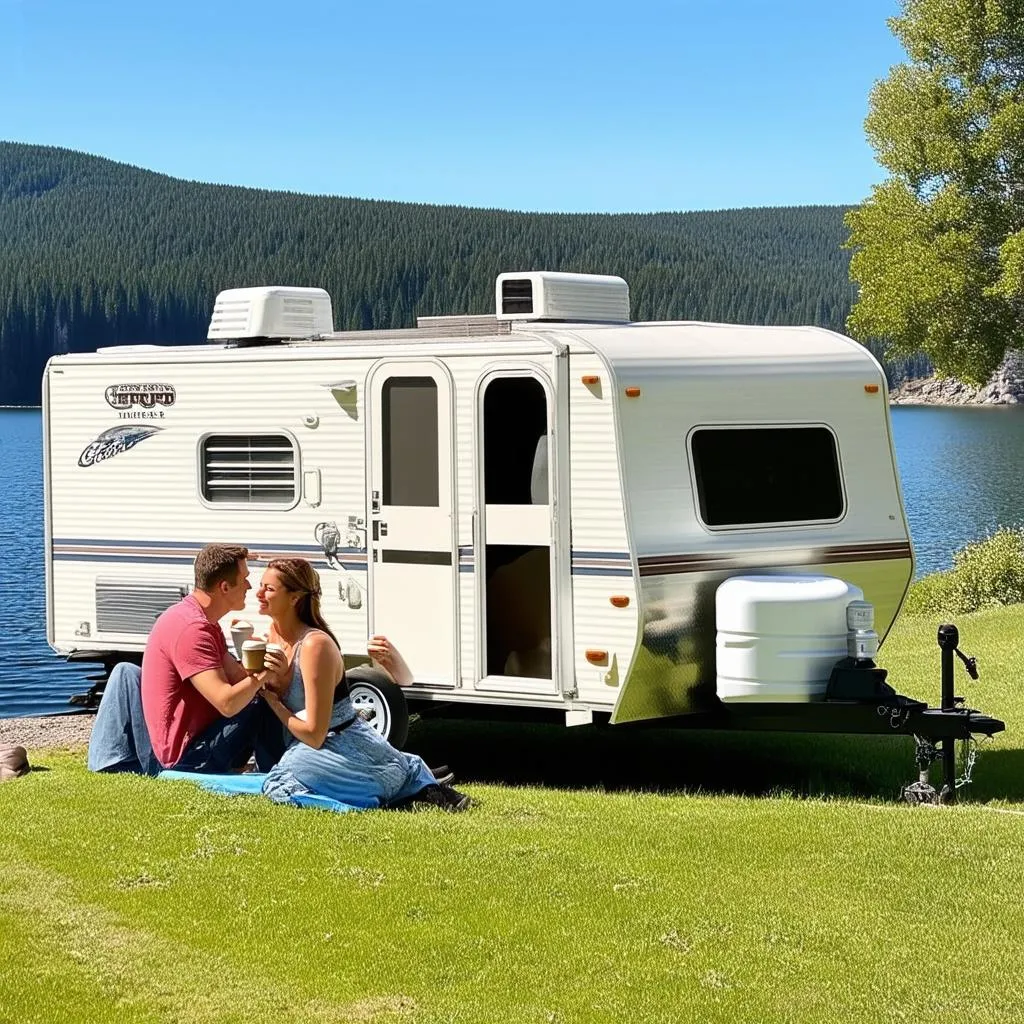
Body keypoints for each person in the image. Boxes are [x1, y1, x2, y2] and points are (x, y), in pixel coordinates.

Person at [256, 557, 471, 811]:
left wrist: (274, 702)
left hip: (344, 745)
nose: (258, 593)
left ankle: (395, 789)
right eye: (260, 585)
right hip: (309, 744)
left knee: (285, 777)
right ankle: (403, 788)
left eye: (268, 589)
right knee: (285, 768)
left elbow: (315, 735)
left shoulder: (315, 646)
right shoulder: (272, 633)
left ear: (294, 598)